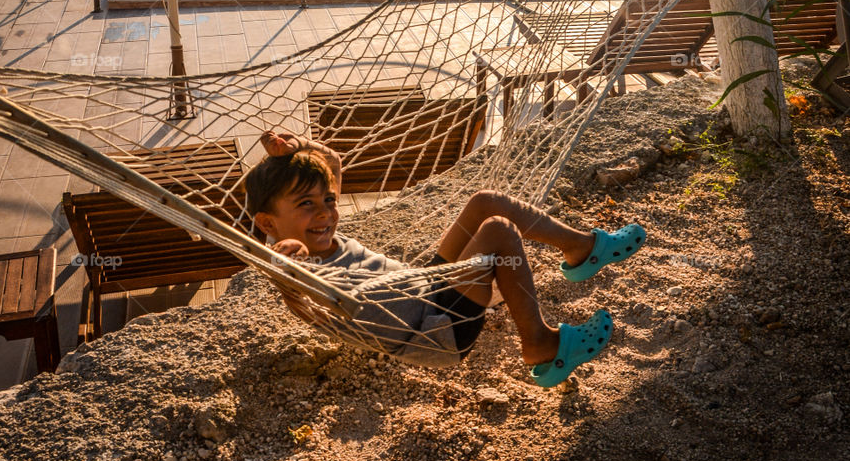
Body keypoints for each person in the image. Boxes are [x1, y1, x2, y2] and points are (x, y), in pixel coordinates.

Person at [245, 128, 647, 388]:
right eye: (305, 204)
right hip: (435, 330)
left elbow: (331, 163)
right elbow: (290, 273)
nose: (325, 212)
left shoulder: (321, 233)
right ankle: (541, 344)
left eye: (328, 200)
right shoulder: (305, 269)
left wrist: (300, 148)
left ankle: (582, 247)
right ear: (268, 222)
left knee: (484, 202)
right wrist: (288, 256)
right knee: (497, 233)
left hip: (426, 286)